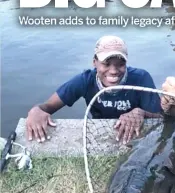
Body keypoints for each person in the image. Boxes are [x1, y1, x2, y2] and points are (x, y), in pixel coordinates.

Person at [26, 35, 161, 144]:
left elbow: (161, 117)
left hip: (135, 133)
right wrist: (36, 111)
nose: (113, 71)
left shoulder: (141, 78)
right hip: (99, 131)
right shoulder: (85, 80)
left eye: (120, 64)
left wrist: (140, 112)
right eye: (106, 64)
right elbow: (48, 106)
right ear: (94, 62)